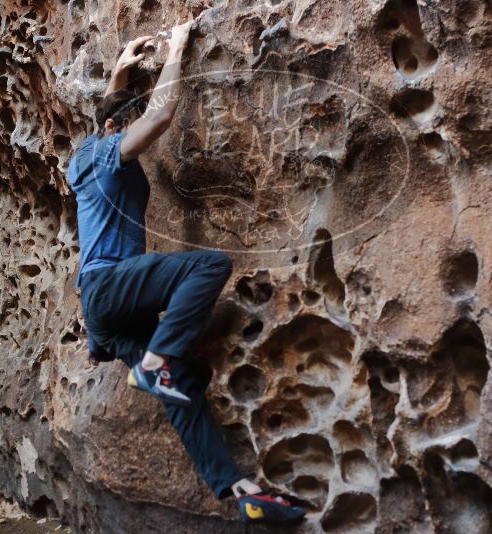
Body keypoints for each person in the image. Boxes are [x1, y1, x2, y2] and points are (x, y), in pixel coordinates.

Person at [66, 20, 306, 526]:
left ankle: (238, 489)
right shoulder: (106, 154)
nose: (131, 134)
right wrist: (177, 47)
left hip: (105, 315)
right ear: (114, 131)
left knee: (184, 389)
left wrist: (119, 74)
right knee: (209, 264)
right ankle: (154, 363)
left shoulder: (85, 159)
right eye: (122, 125)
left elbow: (113, 118)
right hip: (109, 283)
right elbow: (157, 117)